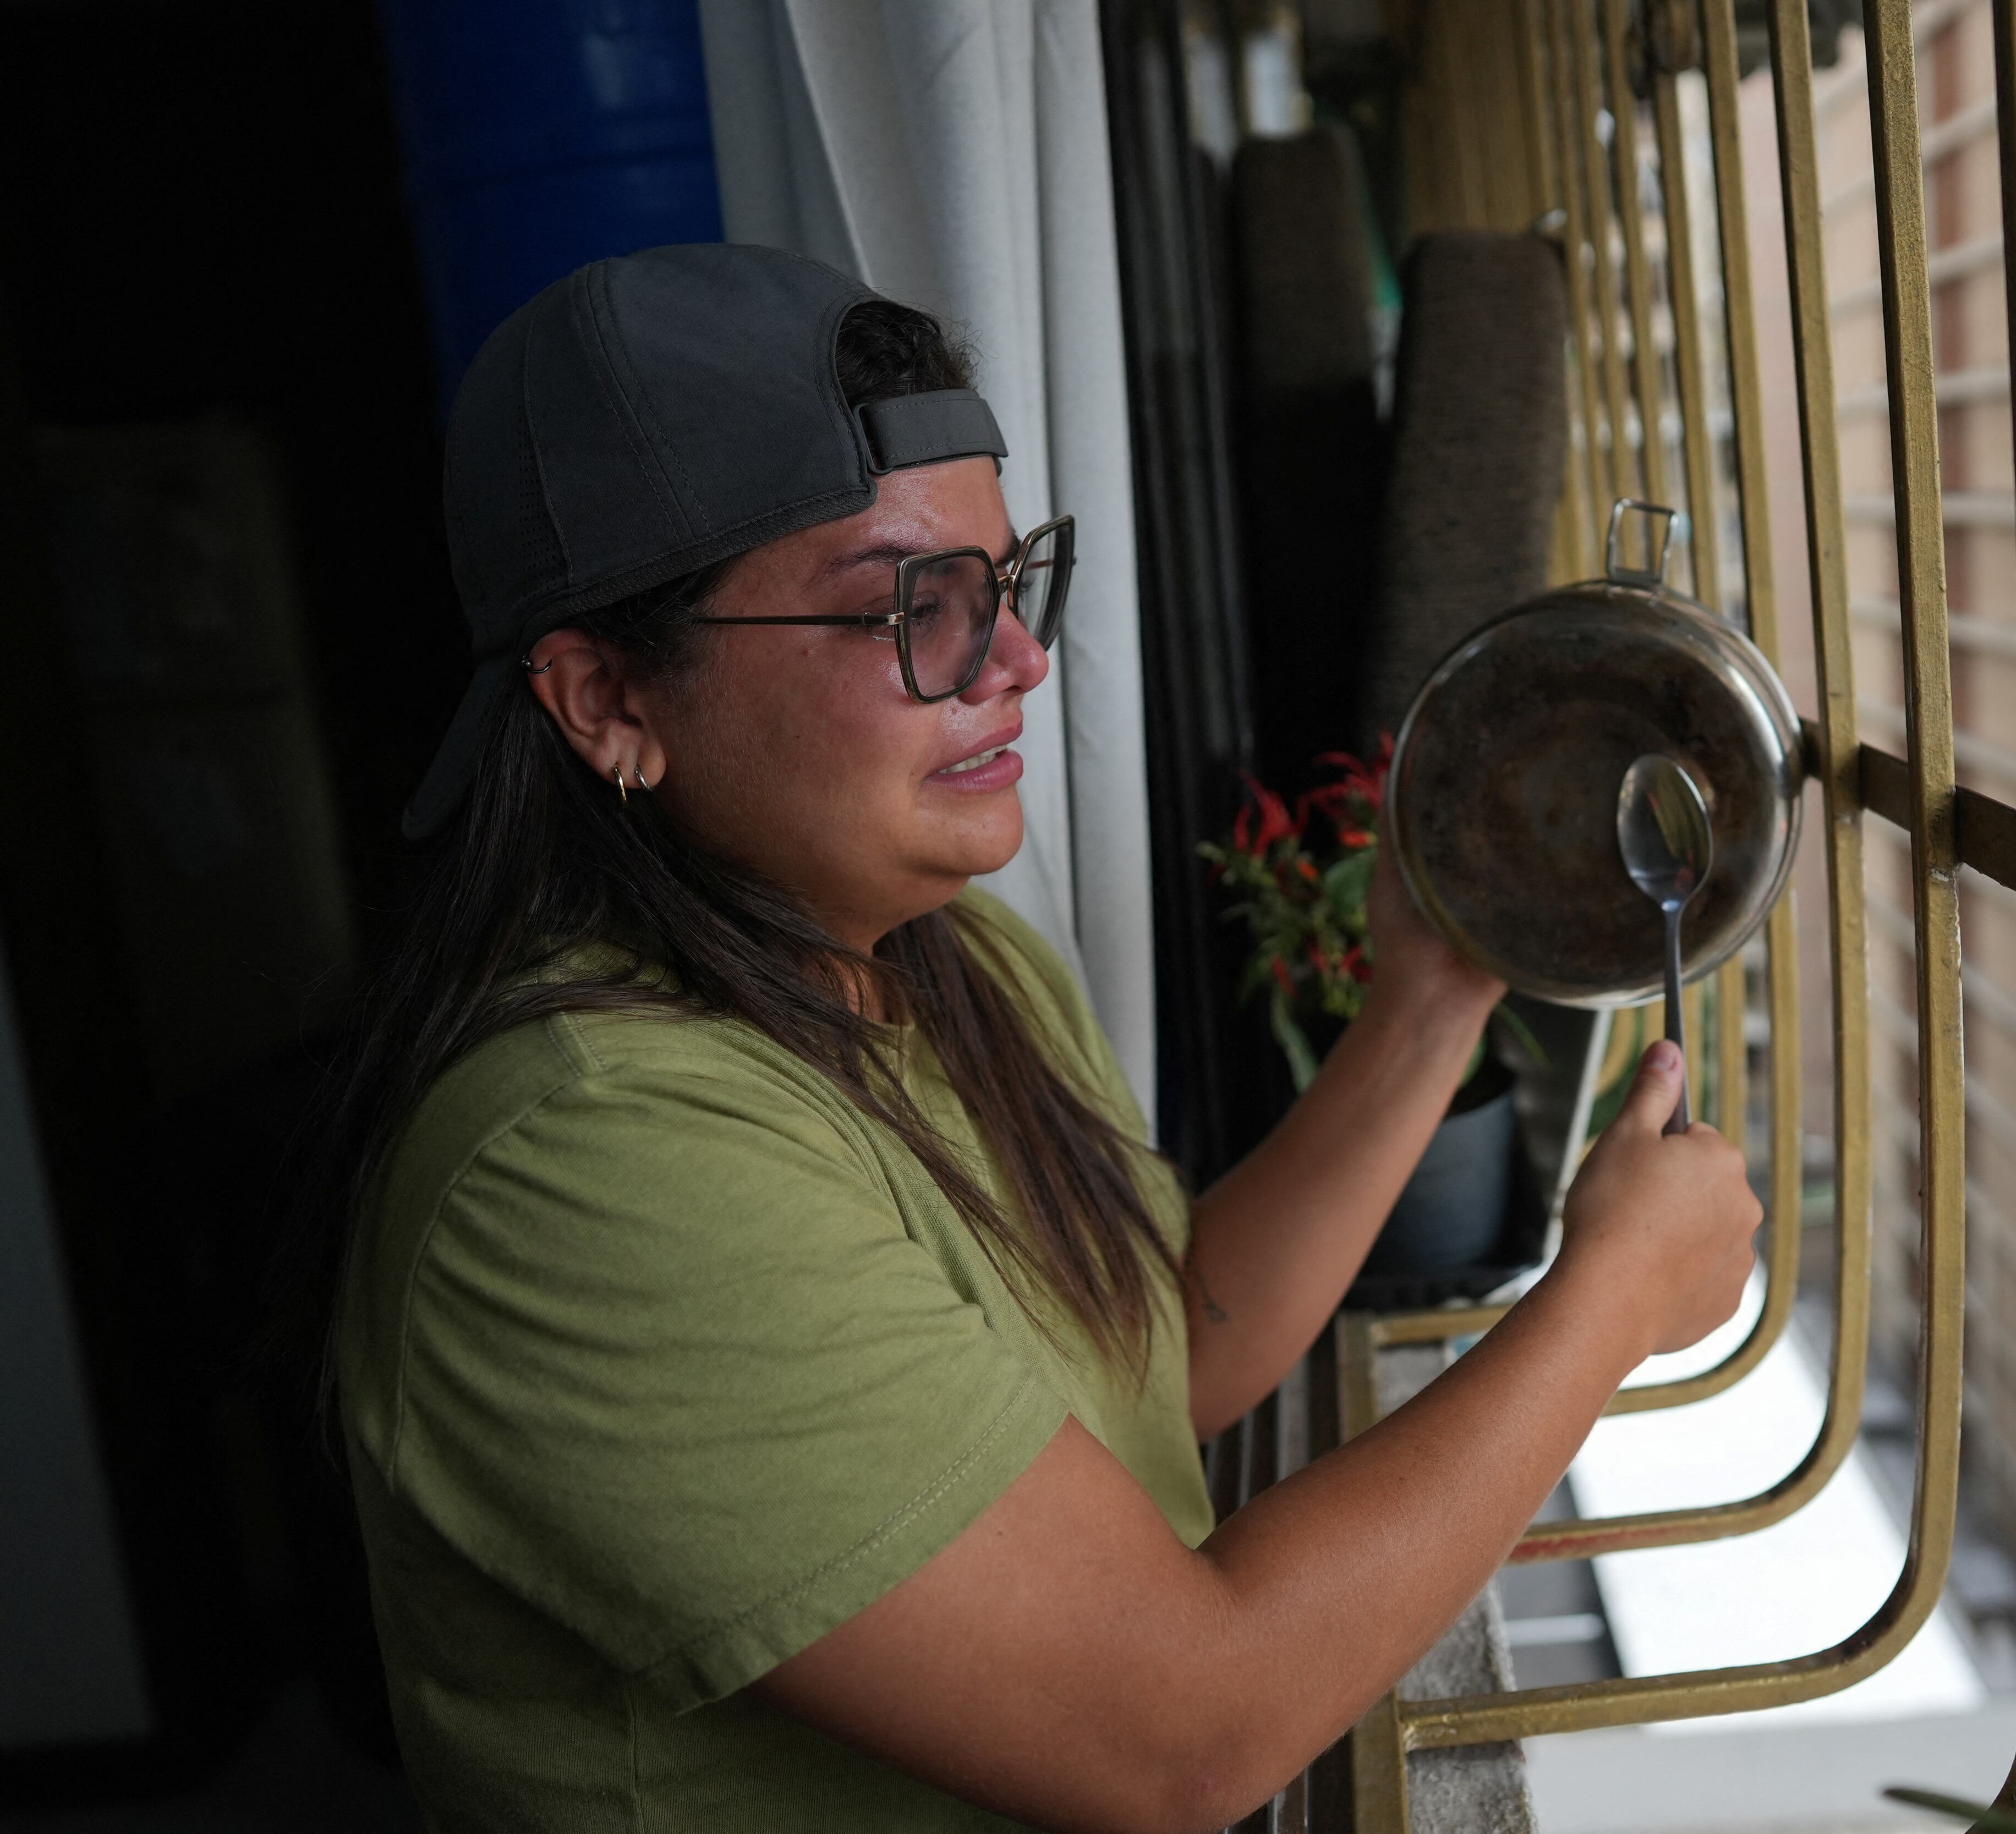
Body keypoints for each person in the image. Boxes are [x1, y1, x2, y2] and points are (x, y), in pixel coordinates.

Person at [326, 242, 1761, 1834]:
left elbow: (1166, 1350)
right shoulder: (585, 1173)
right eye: (912, 610)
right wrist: (1608, 1300)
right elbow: (1179, 1734)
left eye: (1006, 585)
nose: (1017, 661)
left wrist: (1429, 1002)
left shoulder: (946, 960)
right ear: (607, 701)